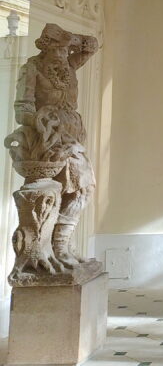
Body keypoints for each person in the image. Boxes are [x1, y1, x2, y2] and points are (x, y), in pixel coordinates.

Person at [7, 23, 98, 269]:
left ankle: (62, 247)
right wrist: (41, 121)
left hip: (72, 134)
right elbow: (22, 109)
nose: (63, 54)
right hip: (48, 138)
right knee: (67, 190)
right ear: (46, 47)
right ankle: (52, 249)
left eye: (65, 49)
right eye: (58, 49)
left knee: (80, 190)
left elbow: (91, 46)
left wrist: (74, 40)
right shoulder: (33, 68)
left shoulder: (68, 65)